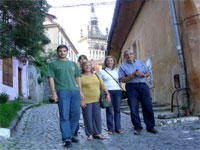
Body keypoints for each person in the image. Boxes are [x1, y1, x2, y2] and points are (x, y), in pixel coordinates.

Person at [46, 45, 83, 148]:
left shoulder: (73, 64)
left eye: (64, 51)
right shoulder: (53, 64)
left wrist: (80, 91)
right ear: (57, 52)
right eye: (60, 51)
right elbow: (51, 78)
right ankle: (66, 138)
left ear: (67, 52)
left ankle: (70, 134)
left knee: (76, 114)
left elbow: (78, 77)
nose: (62, 53)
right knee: (64, 115)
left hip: (75, 92)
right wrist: (53, 93)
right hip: (62, 92)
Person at [119, 49, 158, 135]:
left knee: (148, 106)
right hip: (131, 87)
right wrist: (132, 76)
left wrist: (143, 75)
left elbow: (148, 72)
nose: (129, 56)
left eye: (130, 54)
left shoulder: (140, 63)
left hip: (143, 85)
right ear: (125, 57)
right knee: (133, 107)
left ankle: (150, 127)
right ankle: (137, 127)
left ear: (133, 54)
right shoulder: (123, 67)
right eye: (127, 55)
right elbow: (121, 79)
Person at [80, 61, 111, 140]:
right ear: (83, 67)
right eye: (86, 65)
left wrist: (107, 94)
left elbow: (103, 85)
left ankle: (97, 133)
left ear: (91, 66)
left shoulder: (96, 75)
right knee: (88, 117)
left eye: (89, 65)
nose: (88, 66)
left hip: (97, 99)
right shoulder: (80, 77)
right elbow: (78, 90)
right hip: (86, 100)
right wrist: (81, 101)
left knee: (97, 117)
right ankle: (89, 134)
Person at [99, 56, 123, 134]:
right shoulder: (102, 71)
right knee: (109, 110)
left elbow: (120, 80)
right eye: (108, 61)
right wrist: (104, 93)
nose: (109, 62)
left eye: (111, 60)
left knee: (117, 110)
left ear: (114, 62)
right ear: (105, 62)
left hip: (117, 91)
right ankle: (110, 128)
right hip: (108, 92)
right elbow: (100, 83)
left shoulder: (117, 70)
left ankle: (118, 128)